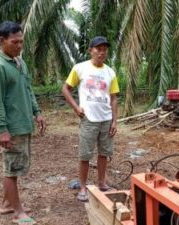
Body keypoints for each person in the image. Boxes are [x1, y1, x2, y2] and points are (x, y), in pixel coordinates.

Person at [0, 21, 46, 225]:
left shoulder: (19, 62)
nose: (19, 46)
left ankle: (7, 204)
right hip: (12, 127)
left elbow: (28, 90)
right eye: (15, 42)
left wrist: (37, 112)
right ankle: (18, 212)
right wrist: (1, 130)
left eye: (21, 42)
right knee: (12, 170)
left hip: (24, 124)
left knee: (15, 166)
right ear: (2, 41)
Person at [62, 36, 119, 202]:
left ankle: (102, 183)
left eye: (105, 49)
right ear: (91, 50)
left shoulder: (110, 72)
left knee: (104, 153)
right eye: (98, 49)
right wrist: (76, 107)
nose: (102, 52)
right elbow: (65, 89)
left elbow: (114, 98)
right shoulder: (80, 68)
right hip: (89, 119)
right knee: (85, 155)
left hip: (106, 119)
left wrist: (115, 121)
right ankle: (82, 187)